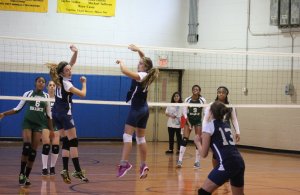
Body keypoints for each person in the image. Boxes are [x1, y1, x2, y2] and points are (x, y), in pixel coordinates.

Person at [116, 44, 159, 179]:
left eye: (140, 63)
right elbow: (145, 60)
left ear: (145, 67)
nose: (138, 64)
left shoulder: (141, 75)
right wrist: (139, 50)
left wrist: (121, 62)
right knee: (140, 138)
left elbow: (124, 71)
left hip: (136, 109)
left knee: (127, 136)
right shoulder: (148, 74)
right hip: (144, 109)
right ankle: (143, 165)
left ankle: (124, 164)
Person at [0, 76, 52, 186]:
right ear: (35, 83)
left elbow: (49, 116)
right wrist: (4, 114)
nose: (41, 83)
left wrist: (51, 130)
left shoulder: (46, 96)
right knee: (27, 146)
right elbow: (17, 109)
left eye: (43, 82)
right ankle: (21, 173)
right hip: (28, 123)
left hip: (39, 125)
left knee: (33, 152)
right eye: (39, 81)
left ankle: (27, 176)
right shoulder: (28, 94)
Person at [48, 44, 88, 184]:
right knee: (73, 141)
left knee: (65, 141)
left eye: (70, 70)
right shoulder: (67, 84)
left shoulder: (59, 79)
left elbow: (71, 63)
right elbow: (83, 94)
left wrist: (76, 52)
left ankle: (65, 169)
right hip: (65, 114)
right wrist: (84, 83)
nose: (70, 71)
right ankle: (77, 171)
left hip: (57, 113)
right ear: (62, 73)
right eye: (67, 70)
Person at [194, 101, 245, 195]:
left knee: (203, 193)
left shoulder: (209, 127)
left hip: (226, 164)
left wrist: (197, 142)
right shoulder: (226, 125)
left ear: (211, 112)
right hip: (239, 162)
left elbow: (204, 154)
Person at [202, 86, 241, 168]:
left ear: (227, 94)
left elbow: (234, 119)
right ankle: (216, 170)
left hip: (226, 132)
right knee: (215, 153)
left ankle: (226, 171)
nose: (221, 94)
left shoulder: (230, 106)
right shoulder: (211, 105)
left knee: (227, 151)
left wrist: (238, 132)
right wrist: (204, 131)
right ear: (217, 93)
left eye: (223, 92)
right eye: (219, 92)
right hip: (215, 131)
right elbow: (205, 119)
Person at [177, 85, 206, 169]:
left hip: (198, 121)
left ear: (199, 91)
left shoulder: (202, 100)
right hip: (188, 120)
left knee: (198, 140)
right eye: (194, 89)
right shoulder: (187, 99)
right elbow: (184, 112)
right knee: (185, 139)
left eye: (197, 89)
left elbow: (205, 112)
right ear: (192, 90)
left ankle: (197, 162)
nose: (195, 90)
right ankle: (180, 160)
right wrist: (188, 122)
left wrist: (204, 123)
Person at [41, 80, 60, 176]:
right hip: (45, 123)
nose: (52, 86)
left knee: (56, 146)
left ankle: (52, 167)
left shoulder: (58, 99)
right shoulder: (44, 98)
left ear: (55, 87)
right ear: (47, 87)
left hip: (56, 124)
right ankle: (44, 168)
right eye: (50, 85)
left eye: (53, 85)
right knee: (46, 145)